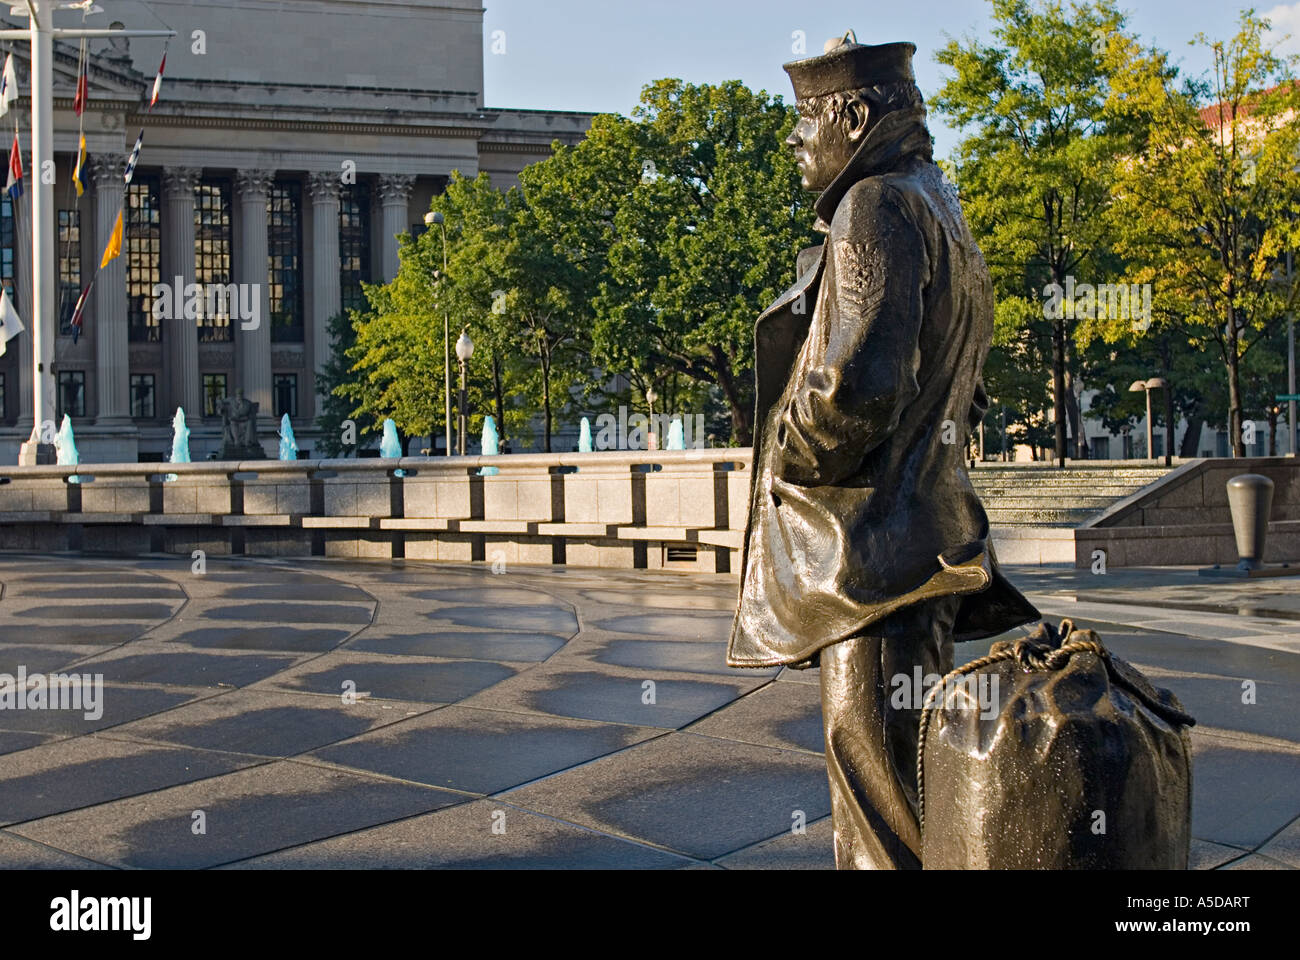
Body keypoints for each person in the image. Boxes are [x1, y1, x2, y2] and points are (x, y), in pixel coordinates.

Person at [727, 32, 1040, 869]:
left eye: (802, 123)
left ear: (855, 116)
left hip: (872, 562)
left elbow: (861, 383)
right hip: (924, 545)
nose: (793, 144)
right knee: (906, 781)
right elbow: (964, 389)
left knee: (877, 806)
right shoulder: (941, 203)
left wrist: (785, 460)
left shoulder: (874, 208)